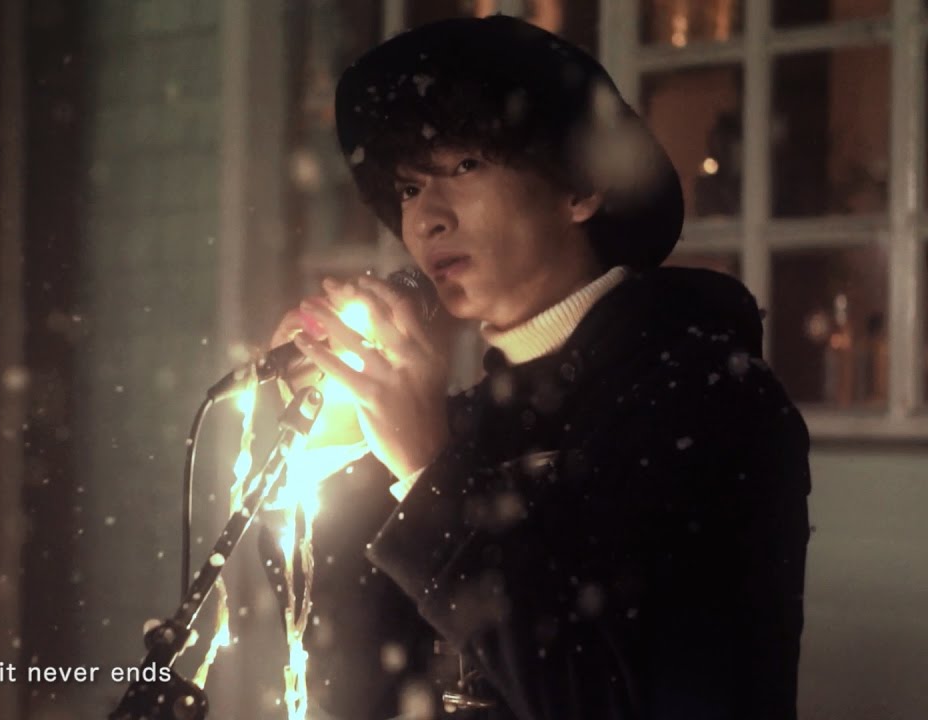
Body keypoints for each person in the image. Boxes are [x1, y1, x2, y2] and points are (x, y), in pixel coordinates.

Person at [264, 14, 811, 720]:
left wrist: (429, 473)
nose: (425, 219)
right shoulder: (468, 419)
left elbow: (607, 699)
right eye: (407, 188)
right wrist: (328, 451)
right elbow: (343, 672)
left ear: (580, 187)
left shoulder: (706, 403)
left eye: (464, 166)